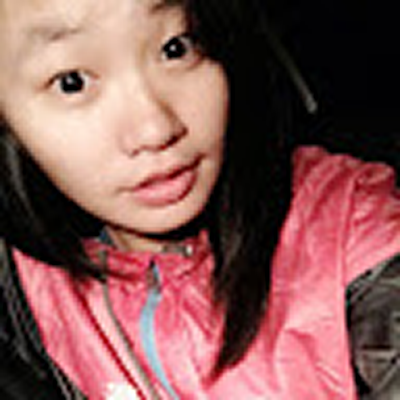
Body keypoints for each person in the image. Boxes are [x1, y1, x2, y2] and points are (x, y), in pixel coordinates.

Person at [1, 0, 400, 399]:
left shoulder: (349, 226)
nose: (155, 129)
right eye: (72, 82)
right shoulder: (24, 295)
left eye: (176, 48)